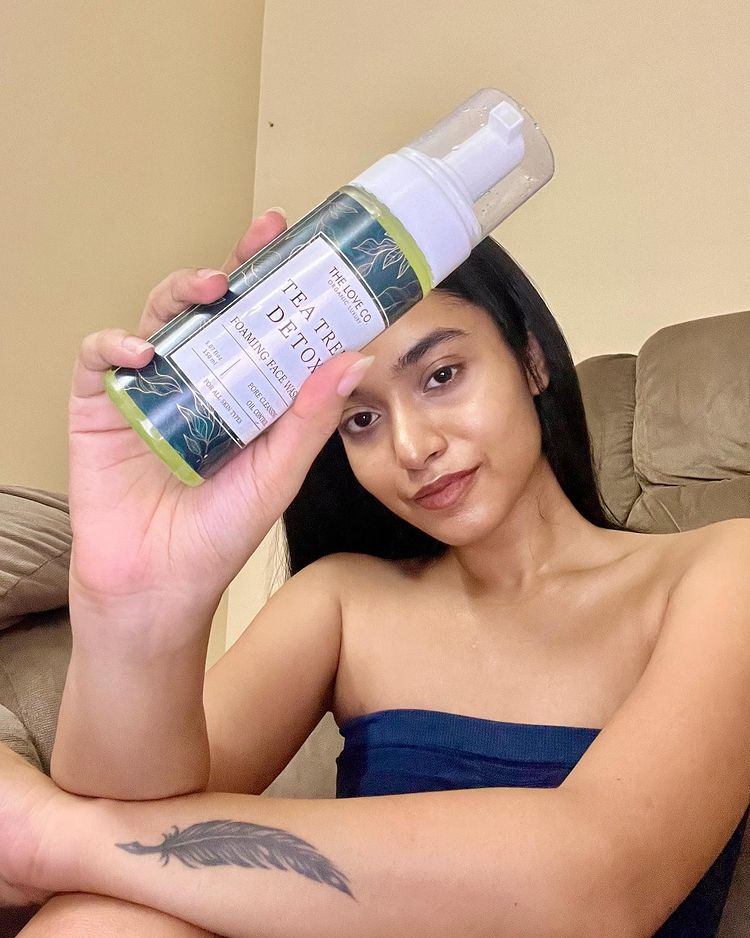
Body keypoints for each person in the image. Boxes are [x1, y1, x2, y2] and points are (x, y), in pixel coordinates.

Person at [0, 209, 748, 938]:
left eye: (442, 375)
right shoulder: (344, 599)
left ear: (530, 358)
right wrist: (134, 598)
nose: (413, 448)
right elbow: (133, 809)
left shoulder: (722, 571)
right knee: (102, 921)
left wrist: (59, 838)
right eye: (360, 419)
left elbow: (599, 882)